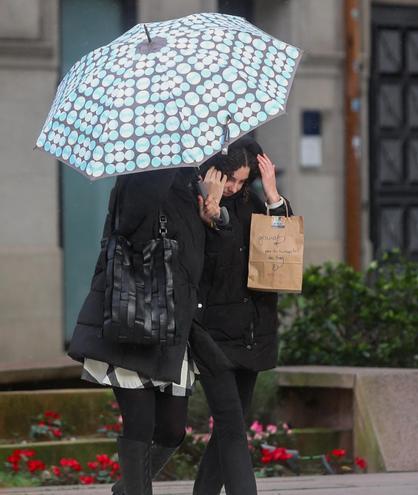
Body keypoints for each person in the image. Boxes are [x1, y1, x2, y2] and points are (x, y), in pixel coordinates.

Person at [68, 167, 226, 495]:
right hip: (135, 314)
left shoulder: (190, 181)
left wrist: (213, 210)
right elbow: (129, 229)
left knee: (171, 430)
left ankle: (126, 488)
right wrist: (160, 179)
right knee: (139, 425)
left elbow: (203, 255)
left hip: (174, 322)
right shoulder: (140, 176)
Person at [192, 137, 292, 495]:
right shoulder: (197, 204)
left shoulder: (255, 203)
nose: (234, 187)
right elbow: (204, 258)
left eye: (241, 180)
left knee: (230, 427)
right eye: (229, 179)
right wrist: (214, 211)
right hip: (213, 333)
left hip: (253, 329)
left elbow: (283, 253)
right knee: (232, 426)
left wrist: (273, 196)